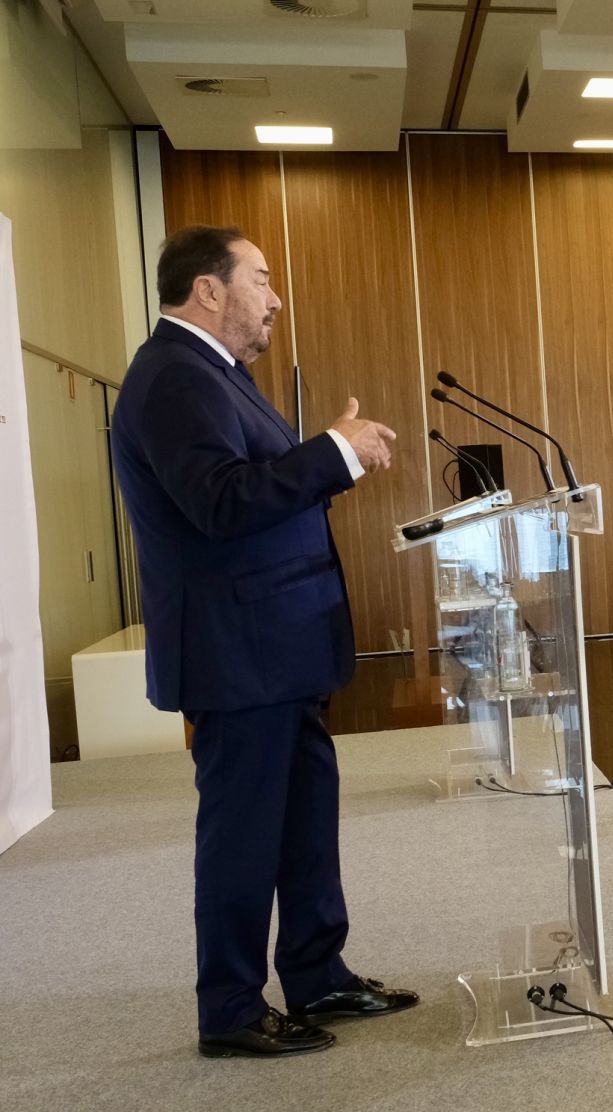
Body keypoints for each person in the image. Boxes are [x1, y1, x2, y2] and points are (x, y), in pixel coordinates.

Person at [110, 225, 417, 1058]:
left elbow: (258, 494)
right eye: (261, 278)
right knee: (244, 835)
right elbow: (220, 502)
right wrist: (329, 453)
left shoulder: (218, 375)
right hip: (239, 651)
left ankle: (318, 973)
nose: (276, 297)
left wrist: (330, 454)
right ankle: (231, 1011)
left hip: (279, 646)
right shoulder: (173, 376)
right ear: (208, 290)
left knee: (304, 821)